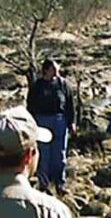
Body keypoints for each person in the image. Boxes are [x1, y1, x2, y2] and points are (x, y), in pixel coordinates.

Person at [25, 58, 76, 195]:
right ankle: (44, 183)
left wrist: (72, 122)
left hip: (60, 120)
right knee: (44, 153)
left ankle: (60, 183)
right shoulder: (37, 86)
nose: (56, 72)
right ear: (46, 70)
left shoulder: (63, 84)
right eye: (53, 69)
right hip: (42, 121)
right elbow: (30, 105)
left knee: (59, 153)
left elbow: (70, 104)